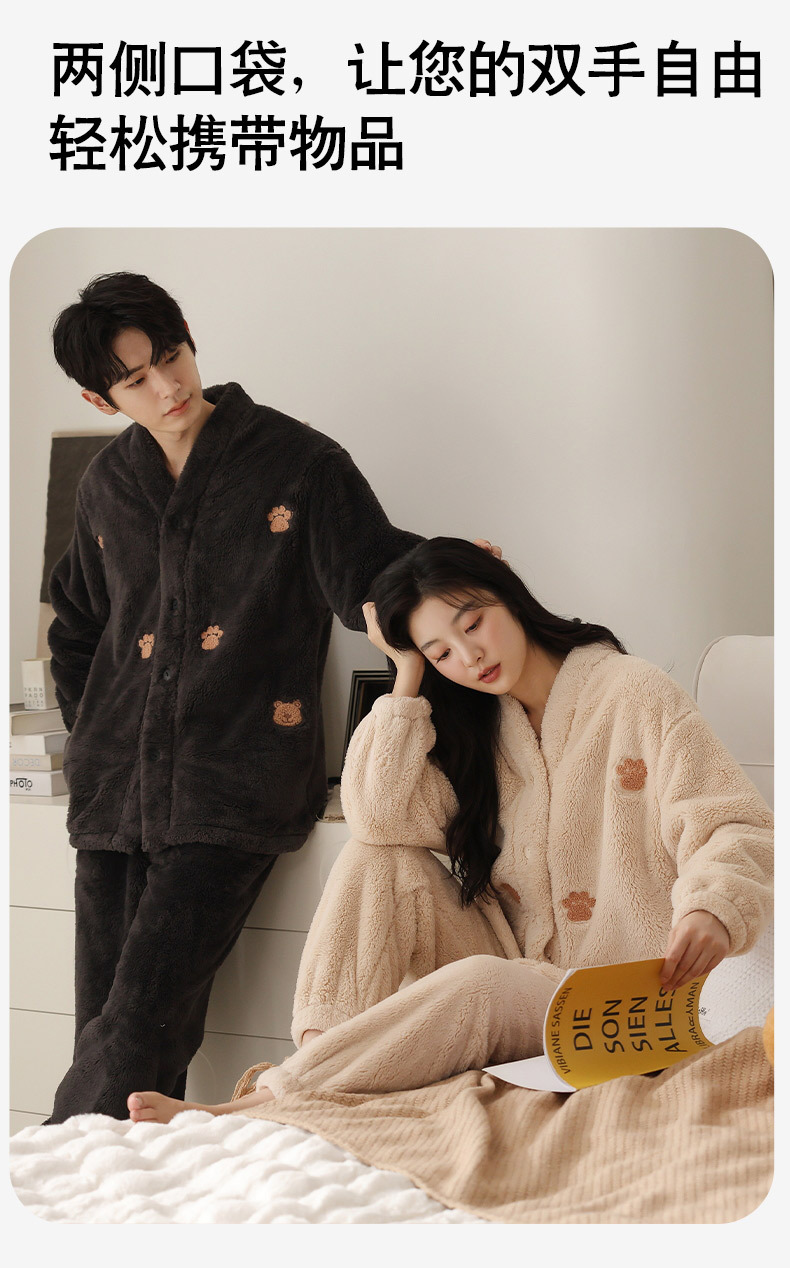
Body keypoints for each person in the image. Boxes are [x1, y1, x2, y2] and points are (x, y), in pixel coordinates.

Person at [45, 274, 502, 1122]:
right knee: (107, 1025)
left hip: (233, 780)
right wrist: (93, 733)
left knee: (137, 1019)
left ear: (187, 333)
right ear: (99, 399)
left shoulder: (299, 462)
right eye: (137, 380)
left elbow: (369, 574)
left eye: (171, 357)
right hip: (114, 795)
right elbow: (76, 625)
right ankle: (122, 1183)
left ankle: (49, 1167)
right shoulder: (106, 484)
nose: (168, 387)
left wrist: (453, 573)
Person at [126, 537, 773, 1124]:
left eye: (473, 623)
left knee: (485, 981)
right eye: (440, 652)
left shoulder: (634, 692)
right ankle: (316, 1069)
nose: (468, 657)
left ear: (508, 596)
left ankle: (259, 1106)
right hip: (519, 975)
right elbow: (378, 816)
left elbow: (731, 820)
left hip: (621, 998)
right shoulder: (482, 729)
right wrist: (405, 677)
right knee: (375, 861)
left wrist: (713, 908)